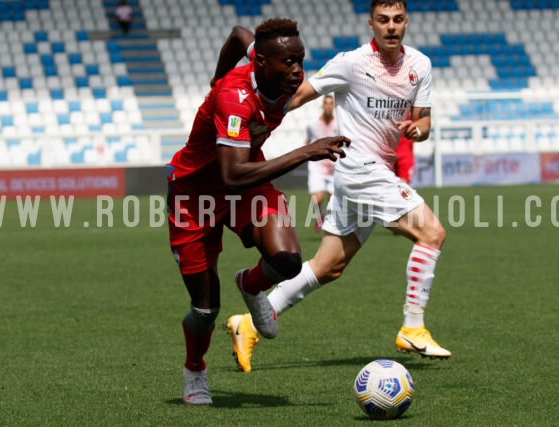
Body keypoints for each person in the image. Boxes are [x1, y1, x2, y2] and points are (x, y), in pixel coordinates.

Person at [225, 0, 450, 374]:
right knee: (432, 233)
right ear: (371, 24)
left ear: (406, 23)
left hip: (372, 173)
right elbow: (298, 96)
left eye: (397, 20)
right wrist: (255, 119)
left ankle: (247, 323)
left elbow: (423, 122)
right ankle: (413, 326)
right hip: (360, 168)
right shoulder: (352, 63)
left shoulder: (420, 66)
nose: (391, 27)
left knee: (328, 267)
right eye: (383, 20)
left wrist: (417, 130)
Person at [166, 18, 350, 404]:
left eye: (300, 60)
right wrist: (307, 151)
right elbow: (231, 175)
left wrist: (212, 83)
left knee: (288, 261)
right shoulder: (236, 97)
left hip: (247, 182)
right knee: (204, 309)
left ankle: (250, 285)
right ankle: (195, 370)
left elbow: (236, 33)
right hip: (195, 195)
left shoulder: (271, 66)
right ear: (263, 63)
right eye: (288, 62)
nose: (297, 70)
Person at [305, 95, 338, 232]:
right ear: (323, 106)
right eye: (326, 103)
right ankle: (321, 214)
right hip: (317, 167)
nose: (329, 106)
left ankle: (330, 223)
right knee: (316, 199)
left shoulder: (339, 124)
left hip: (334, 167)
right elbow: (307, 141)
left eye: (331, 103)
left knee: (332, 200)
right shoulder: (312, 125)